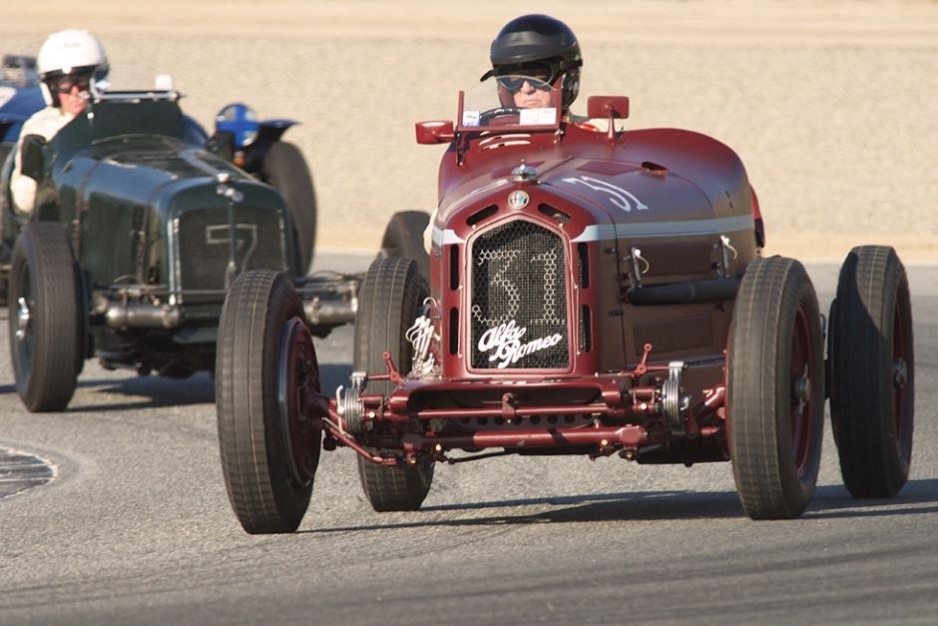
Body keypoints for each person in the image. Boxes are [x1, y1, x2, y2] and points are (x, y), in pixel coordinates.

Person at [10, 29, 108, 215]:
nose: (75, 92)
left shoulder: (116, 119)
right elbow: (24, 201)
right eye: (64, 84)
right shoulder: (41, 128)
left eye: (84, 81)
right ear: (51, 88)